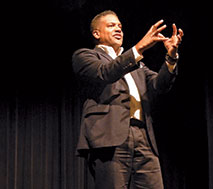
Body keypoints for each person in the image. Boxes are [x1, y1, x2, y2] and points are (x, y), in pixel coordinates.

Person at [72, 10, 183, 189]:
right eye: (111, 25)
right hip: (109, 137)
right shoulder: (85, 56)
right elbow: (105, 73)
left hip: (144, 136)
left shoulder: (136, 64)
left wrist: (171, 57)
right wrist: (138, 49)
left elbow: (158, 85)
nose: (118, 29)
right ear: (96, 33)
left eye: (120, 26)